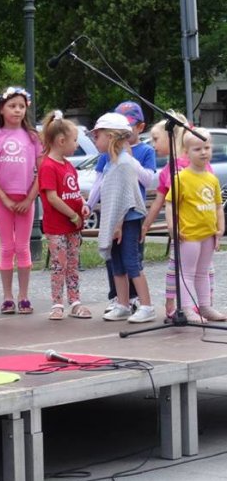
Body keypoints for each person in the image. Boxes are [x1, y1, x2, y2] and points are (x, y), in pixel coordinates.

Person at [140, 117, 215, 318]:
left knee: (180, 268)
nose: (154, 145)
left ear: (171, 137)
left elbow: (159, 201)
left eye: (156, 139)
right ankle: (199, 305)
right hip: (191, 229)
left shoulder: (172, 169)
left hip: (191, 229)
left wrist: (146, 225)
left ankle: (174, 305)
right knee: (202, 269)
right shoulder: (193, 165)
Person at [92, 102, 156, 315]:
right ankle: (122, 303)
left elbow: (127, 197)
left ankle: (146, 305)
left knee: (131, 261)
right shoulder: (111, 162)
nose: (95, 140)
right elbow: (105, 190)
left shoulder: (125, 162)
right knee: (116, 262)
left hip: (127, 220)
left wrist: (118, 223)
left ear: (110, 137)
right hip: (117, 221)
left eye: (97, 136)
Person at [0, 87, 42, 315]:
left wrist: (30, 197)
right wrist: (4, 198)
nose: (17, 110)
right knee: (7, 247)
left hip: (26, 200)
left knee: (23, 247)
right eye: (12, 106)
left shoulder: (32, 137)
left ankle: (24, 295)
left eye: (21, 106)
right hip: (3, 200)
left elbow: (42, 170)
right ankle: (7, 296)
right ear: (1, 109)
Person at [164, 128, 225, 321]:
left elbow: (217, 206)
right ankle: (188, 309)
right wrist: (172, 228)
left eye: (207, 147)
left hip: (208, 234)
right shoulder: (181, 178)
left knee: (203, 272)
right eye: (197, 149)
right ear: (186, 152)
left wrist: (220, 229)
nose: (204, 152)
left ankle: (205, 307)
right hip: (188, 234)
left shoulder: (212, 178)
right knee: (187, 273)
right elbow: (169, 203)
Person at [38, 111, 92, 320]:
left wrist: (84, 205)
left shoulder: (69, 165)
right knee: (59, 264)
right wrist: (72, 215)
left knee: (72, 264)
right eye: (74, 140)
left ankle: (75, 301)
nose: (76, 145)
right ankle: (57, 303)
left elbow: (73, 192)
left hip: (73, 227)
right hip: (58, 226)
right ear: (61, 141)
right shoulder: (48, 166)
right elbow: (52, 197)